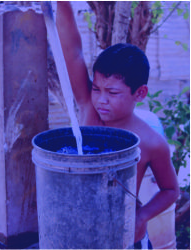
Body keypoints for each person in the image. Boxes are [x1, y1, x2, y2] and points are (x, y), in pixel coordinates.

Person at [56, 2, 180, 249]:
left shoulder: (150, 142)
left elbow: (170, 190)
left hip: (125, 239)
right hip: (79, 228)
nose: (101, 100)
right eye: (96, 89)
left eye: (112, 92)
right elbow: (73, 53)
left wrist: (142, 216)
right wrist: (62, 3)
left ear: (140, 93)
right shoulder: (89, 110)